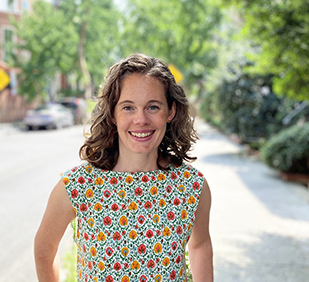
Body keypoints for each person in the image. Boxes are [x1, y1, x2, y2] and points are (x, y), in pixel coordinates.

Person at [34, 54, 213, 282]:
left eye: (153, 107)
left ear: (171, 111)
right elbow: (45, 245)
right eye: (128, 107)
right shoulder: (79, 185)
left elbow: (200, 245)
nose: (141, 120)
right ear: (113, 113)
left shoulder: (191, 186)